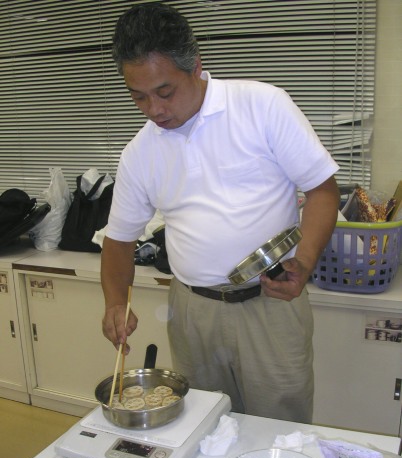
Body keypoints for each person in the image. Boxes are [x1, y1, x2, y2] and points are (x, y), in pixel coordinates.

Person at [101, 2, 340, 423]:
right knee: (204, 426)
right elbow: (119, 241)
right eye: (138, 96)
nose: (154, 109)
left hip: (270, 300)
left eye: (164, 92)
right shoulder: (139, 153)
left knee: (279, 427)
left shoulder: (261, 106)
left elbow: (322, 190)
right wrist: (115, 302)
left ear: (195, 66)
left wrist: (303, 264)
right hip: (193, 312)